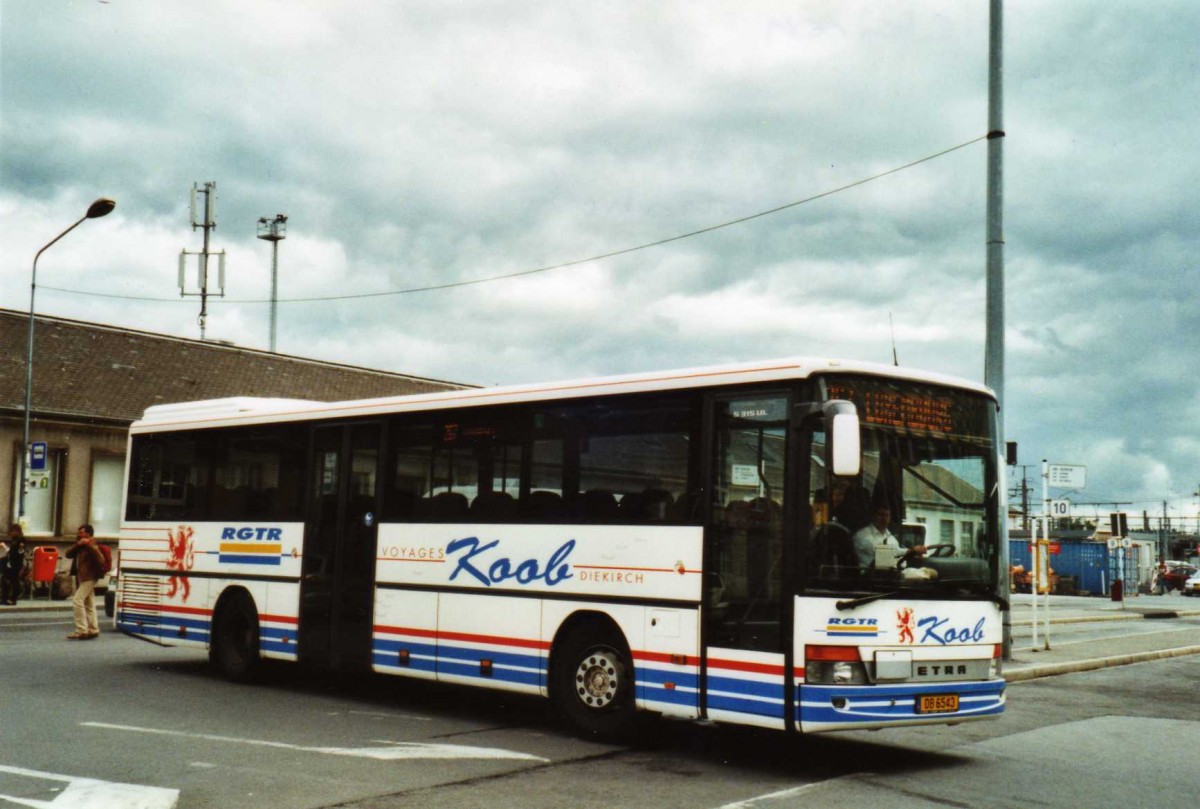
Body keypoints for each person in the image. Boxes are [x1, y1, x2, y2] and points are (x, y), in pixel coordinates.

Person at [852, 504, 926, 570]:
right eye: (880, 514)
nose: (884, 518)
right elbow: (884, 555)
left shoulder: (890, 537)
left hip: (888, 576)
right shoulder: (863, 536)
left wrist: (912, 551)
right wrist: (910, 551)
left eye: (887, 515)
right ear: (873, 516)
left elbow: (896, 551)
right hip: (868, 579)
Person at [65, 524, 104, 639]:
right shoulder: (80, 545)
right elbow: (68, 554)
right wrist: (78, 544)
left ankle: (81, 629)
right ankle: (93, 629)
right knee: (89, 603)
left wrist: (89, 545)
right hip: (82, 576)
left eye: (81, 532)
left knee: (77, 600)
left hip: (89, 576)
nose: (79, 534)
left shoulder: (92, 544)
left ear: (88, 534)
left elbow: (101, 559)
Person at [2, 524, 25, 605]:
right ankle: (4, 598)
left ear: (16, 531)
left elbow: (16, 553)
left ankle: (13, 599)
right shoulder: (14, 540)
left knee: (14, 582)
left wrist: (5, 547)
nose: (10, 533)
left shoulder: (21, 541)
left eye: (12, 531)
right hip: (10, 563)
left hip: (16, 564)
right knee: (5, 580)